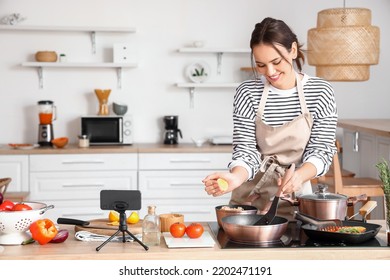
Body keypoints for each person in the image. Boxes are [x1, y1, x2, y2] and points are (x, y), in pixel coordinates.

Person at [202, 17, 338, 220]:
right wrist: (235, 178)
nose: (270, 72)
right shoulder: (247, 93)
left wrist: (298, 177)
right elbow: (245, 150)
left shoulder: (320, 92)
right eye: (261, 65)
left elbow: (322, 150)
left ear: (292, 50)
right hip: (250, 198)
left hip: (296, 197)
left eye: (276, 62)